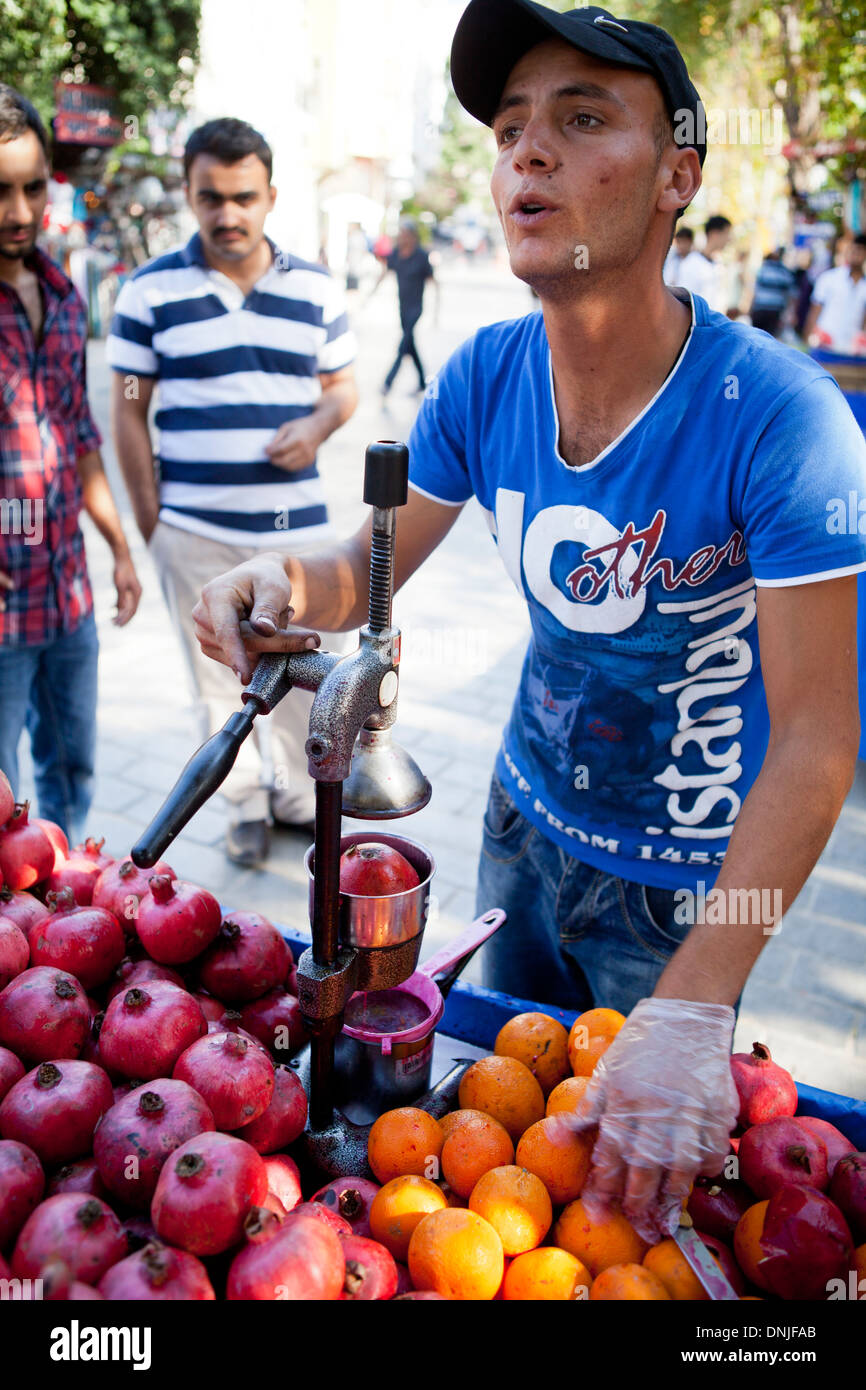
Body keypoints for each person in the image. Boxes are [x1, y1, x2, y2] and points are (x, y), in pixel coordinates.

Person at [189, 2, 866, 1243]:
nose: (526, 156)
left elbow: (820, 740)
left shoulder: (781, 420)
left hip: (688, 890)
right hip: (523, 832)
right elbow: (371, 564)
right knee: (518, 1185)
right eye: (509, 130)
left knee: (646, 1212)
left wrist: (694, 1005)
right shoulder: (486, 374)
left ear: (678, 177)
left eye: (580, 119)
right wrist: (280, 582)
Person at [107, 118, 358, 867]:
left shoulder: (314, 287)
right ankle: (243, 805)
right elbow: (126, 407)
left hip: (297, 544)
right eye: (210, 197)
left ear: (271, 195)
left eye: (243, 196)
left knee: (310, 677)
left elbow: (342, 389)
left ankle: (295, 799)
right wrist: (155, 524)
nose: (228, 214)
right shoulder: (149, 290)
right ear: (188, 196)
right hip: (196, 531)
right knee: (223, 684)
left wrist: (315, 426)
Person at [0, 86, 141, 842]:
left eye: (31, 186)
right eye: (1, 191)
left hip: (65, 595)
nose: (19, 210)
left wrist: (120, 549)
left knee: (72, 773)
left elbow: (81, 435)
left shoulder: (58, 294)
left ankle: (61, 912)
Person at [375, 219, 436, 396]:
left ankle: (388, 382)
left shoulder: (421, 256)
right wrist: (370, 294)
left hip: (416, 308)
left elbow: (432, 281)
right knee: (410, 345)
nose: (402, 237)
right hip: (402, 306)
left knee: (403, 344)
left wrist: (436, 312)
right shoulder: (396, 254)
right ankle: (423, 382)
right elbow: (385, 273)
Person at [803, 233, 866, 353]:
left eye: (860, 251)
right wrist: (807, 342)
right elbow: (814, 312)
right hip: (824, 343)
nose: (856, 254)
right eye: (853, 250)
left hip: (851, 349)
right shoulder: (829, 278)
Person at [672, 213, 732, 312]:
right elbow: (683, 301)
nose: (729, 239)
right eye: (727, 233)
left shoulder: (718, 264)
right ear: (715, 234)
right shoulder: (691, 264)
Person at [748, 247, 796, 338]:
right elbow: (790, 295)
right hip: (775, 311)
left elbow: (755, 290)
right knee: (769, 338)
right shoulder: (785, 273)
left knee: (755, 337)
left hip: (760, 308)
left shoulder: (762, 270)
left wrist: (750, 308)